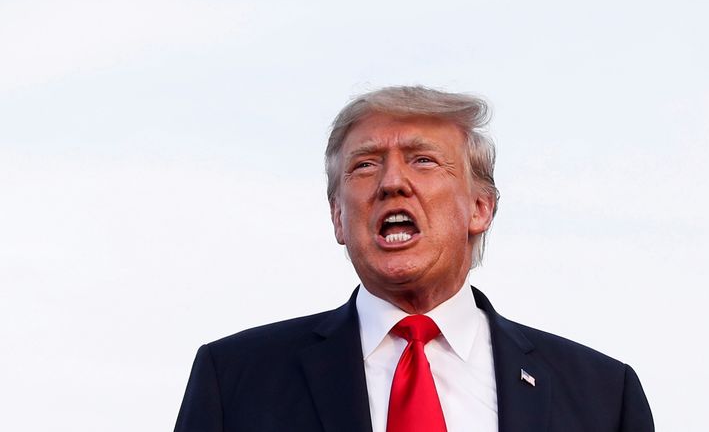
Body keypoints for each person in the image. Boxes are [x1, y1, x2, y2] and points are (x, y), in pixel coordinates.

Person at [174, 86, 655, 432]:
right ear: (339, 218)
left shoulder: (602, 394)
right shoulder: (235, 378)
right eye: (365, 165)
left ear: (480, 208)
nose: (391, 182)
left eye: (423, 160)